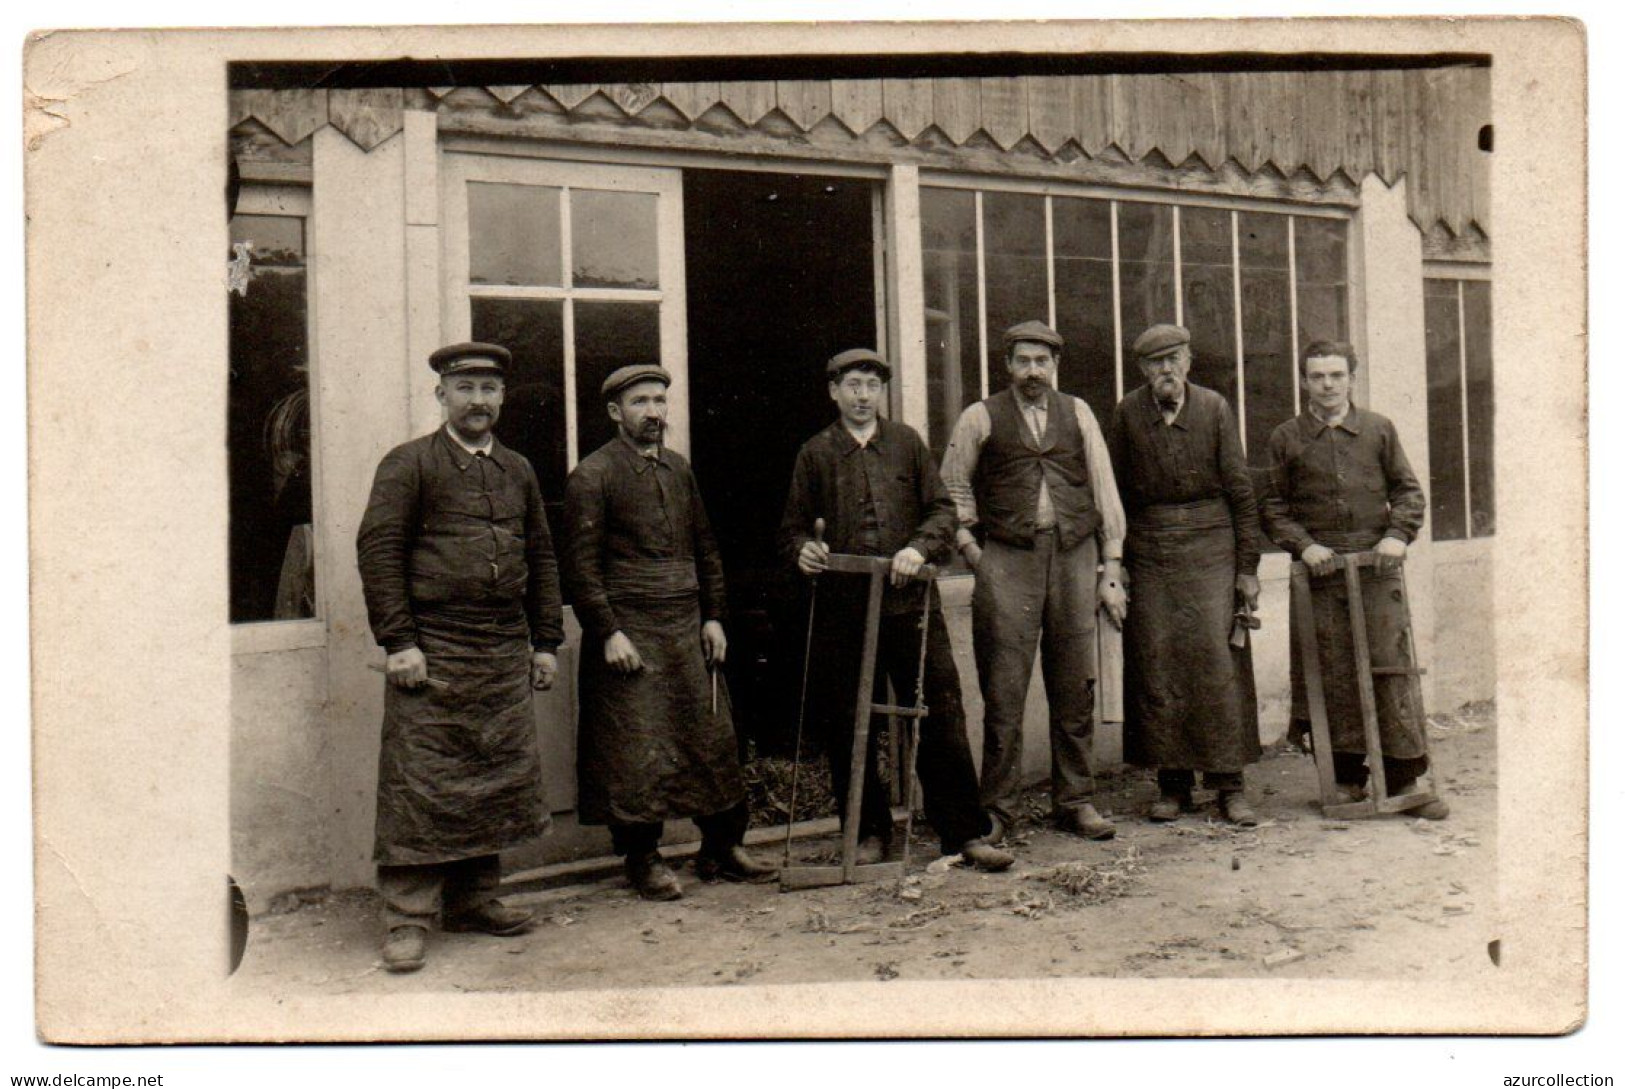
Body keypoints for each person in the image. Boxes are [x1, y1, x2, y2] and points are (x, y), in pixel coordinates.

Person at [356, 342, 563, 974]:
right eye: (465, 388)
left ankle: (477, 902)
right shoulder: (409, 464)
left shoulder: (518, 469)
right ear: (440, 395)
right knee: (421, 783)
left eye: (489, 389)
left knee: (492, 779)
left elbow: (542, 557)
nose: (478, 401)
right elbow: (379, 553)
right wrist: (400, 642)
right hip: (434, 649)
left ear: (502, 397)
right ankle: (406, 917)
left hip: (500, 649)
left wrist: (545, 640)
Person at [778, 349, 1015, 872]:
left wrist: (918, 548)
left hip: (910, 605)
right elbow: (791, 531)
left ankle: (963, 833)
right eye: (853, 386)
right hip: (845, 609)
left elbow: (941, 510)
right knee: (849, 721)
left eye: (872, 386)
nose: (863, 396)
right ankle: (867, 833)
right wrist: (804, 551)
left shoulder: (906, 444)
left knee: (939, 710)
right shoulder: (815, 453)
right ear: (834, 392)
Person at [564, 365, 777, 901]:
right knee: (634, 747)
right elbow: (582, 568)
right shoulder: (593, 475)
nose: (654, 413)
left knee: (712, 737)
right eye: (641, 402)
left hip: (686, 624)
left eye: (660, 401)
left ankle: (721, 847)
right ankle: (642, 858)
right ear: (616, 412)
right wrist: (608, 630)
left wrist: (713, 616)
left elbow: (705, 547)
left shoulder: (679, 470)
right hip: (630, 629)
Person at [941, 320, 1130, 842]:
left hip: (1073, 555)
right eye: (1022, 361)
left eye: (1041, 362)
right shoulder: (981, 416)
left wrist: (1110, 564)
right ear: (1007, 365)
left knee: (1074, 686)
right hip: (1007, 558)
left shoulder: (1079, 413)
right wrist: (974, 551)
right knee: (1004, 691)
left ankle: (1075, 800)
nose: (1032, 371)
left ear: (1055, 366)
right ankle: (998, 811)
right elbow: (953, 488)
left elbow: (1104, 487)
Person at [1260, 341, 1448, 819]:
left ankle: (1404, 777)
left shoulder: (1379, 430)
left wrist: (1396, 537)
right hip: (1320, 572)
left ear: (1351, 379)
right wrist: (1305, 546)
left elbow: (1408, 492)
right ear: (1303, 381)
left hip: (1376, 567)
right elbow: (1273, 508)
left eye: (1336, 375)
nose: (1327, 384)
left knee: (1390, 665)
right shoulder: (1287, 437)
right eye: (1317, 376)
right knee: (1333, 672)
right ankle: (1346, 779)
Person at [1108, 325, 1262, 826]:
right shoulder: (1128, 413)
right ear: (1143, 371)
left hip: (1212, 546)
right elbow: (1117, 496)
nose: (1166, 370)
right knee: (1157, 659)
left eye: (1173, 359)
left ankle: (1228, 785)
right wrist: (1118, 564)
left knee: (1217, 659)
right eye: (1156, 363)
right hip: (1150, 549)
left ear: (1189, 361)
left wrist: (1246, 569)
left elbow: (1241, 493)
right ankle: (1172, 784)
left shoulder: (1215, 408)